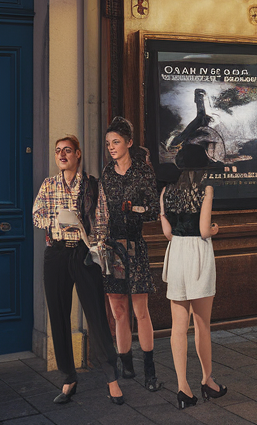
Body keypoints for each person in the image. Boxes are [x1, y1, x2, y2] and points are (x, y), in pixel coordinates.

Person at [32, 135, 125, 405]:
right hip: (57, 254)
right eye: (58, 151)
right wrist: (58, 219)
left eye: (67, 151)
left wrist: (94, 241)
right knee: (58, 316)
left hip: (85, 254)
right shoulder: (49, 185)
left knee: (96, 316)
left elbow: (104, 219)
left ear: (78, 154)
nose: (62, 155)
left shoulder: (93, 185)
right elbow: (37, 214)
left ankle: (112, 378)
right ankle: (68, 378)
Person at [159, 144, 224, 409]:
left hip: (176, 254)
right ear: (201, 169)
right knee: (202, 324)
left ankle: (183, 388)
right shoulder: (205, 189)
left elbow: (167, 232)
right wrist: (215, 229)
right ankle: (207, 380)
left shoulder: (166, 191)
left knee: (178, 327)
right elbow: (204, 229)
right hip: (198, 253)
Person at [100, 117, 161, 392]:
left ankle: (150, 370)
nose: (112, 147)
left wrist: (133, 209)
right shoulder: (106, 174)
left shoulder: (143, 172)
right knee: (119, 310)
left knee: (141, 310)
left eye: (116, 142)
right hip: (113, 247)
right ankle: (127, 364)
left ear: (129, 143)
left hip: (135, 246)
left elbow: (151, 210)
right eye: (108, 143)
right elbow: (101, 212)